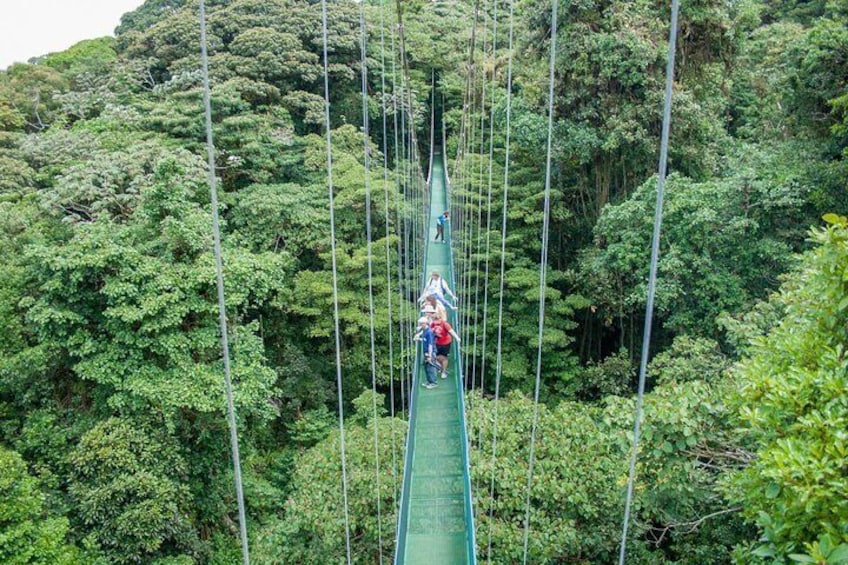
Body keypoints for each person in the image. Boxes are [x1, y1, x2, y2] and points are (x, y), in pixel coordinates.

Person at [430, 312, 460, 379]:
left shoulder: (445, 324)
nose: (435, 322)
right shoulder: (432, 324)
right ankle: (440, 367)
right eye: (434, 320)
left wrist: (457, 338)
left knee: (444, 358)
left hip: (445, 343)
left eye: (436, 320)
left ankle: (444, 372)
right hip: (437, 343)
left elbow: (451, 331)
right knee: (434, 356)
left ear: (440, 318)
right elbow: (430, 331)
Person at [416, 316, 439, 389]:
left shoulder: (429, 332)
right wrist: (419, 338)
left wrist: (429, 355)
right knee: (426, 367)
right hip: (426, 352)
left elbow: (430, 344)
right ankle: (429, 381)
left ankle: (434, 383)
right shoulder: (424, 331)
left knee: (431, 367)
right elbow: (424, 339)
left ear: (424, 323)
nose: (419, 325)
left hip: (430, 352)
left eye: (420, 324)